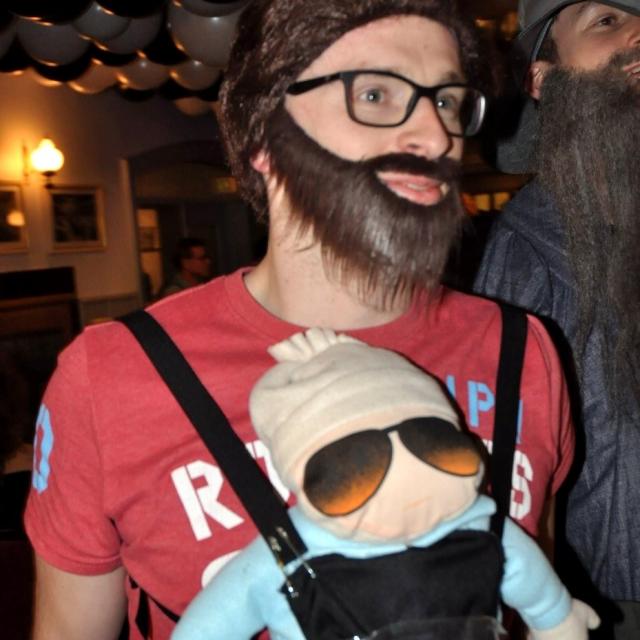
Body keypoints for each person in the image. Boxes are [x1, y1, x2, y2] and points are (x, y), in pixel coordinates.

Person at [24, 1, 574, 639]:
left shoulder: (523, 350)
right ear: (263, 137)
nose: (436, 137)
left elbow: (534, 599)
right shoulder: (112, 375)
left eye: (448, 101)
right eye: (375, 93)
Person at [474, 1, 640, 638]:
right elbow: (503, 465)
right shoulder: (529, 250)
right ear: (542, 79)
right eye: (606, 21)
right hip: (609, 601)